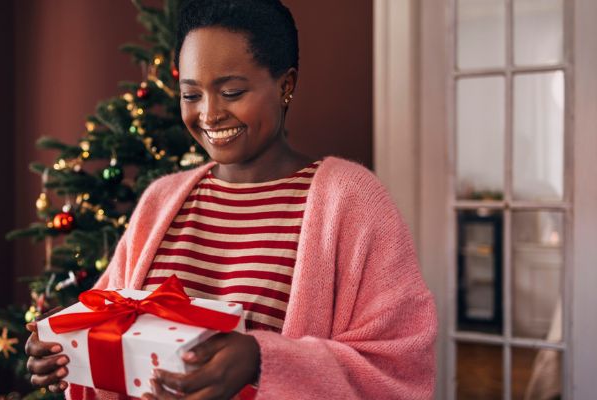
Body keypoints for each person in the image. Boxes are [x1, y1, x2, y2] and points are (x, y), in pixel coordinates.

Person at [25, 0, 438, 399]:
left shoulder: (353, 201)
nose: (209, 114)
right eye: (191, 95)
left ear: (285, 85)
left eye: (232, 91)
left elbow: (400, 368)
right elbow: (110, 324)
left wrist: (262, 359)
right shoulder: (161, 200)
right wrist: (66, 353)